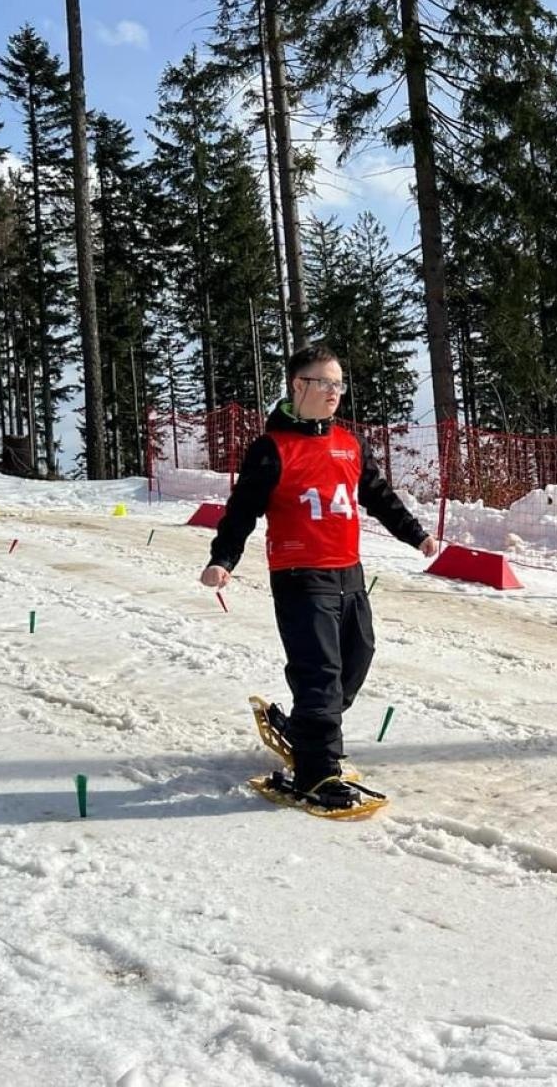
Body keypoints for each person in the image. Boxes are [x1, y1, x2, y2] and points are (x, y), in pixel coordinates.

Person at [201, 344, 440, 810]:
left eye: (339, 384)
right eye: (325, 383)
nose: (334, 393)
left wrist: (416, 535)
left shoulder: (350, 444)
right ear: (298, 386)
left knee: (358, 656)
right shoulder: (272, 449)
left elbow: (378, 495)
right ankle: (316, 772)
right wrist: (223, 559)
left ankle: (303, 731)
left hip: (349, 573)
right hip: (299, 574)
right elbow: (241, 511)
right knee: (320, 675)